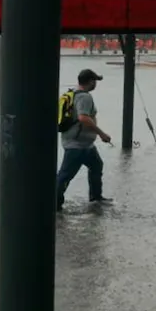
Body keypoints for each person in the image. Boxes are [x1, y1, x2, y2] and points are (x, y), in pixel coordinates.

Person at [56, 69, 112, 211]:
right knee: (65, 175)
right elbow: (83, 118)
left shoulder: (73, 93)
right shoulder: (84, 97)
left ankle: (96, 198)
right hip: (77, 145)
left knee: (97, 165)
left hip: (85, 144)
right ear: (91, 82)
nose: (96, 84)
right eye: (95, 81)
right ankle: (54, 203)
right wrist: (102, 134)